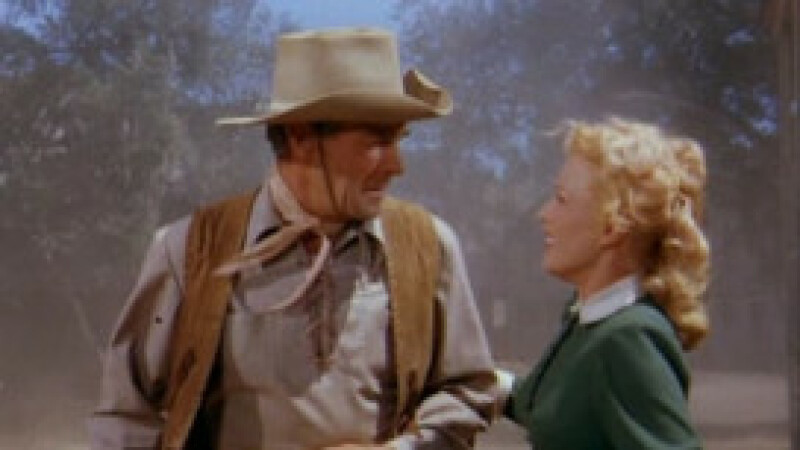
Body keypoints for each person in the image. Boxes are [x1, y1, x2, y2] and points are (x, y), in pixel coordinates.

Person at [88, 27, 498, 450]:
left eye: (398, 140)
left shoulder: (427, 246)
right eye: (377, 142)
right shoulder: (190, 249)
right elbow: (127, 415)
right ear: (301, 137)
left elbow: (467, 392)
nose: (397, 165)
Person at [501, 117, 709, 449]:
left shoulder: (628, 337)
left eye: (561, 199)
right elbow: (544, 408)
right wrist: (468, 373)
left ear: (611, 228)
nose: (544, 214)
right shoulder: (586, 320)